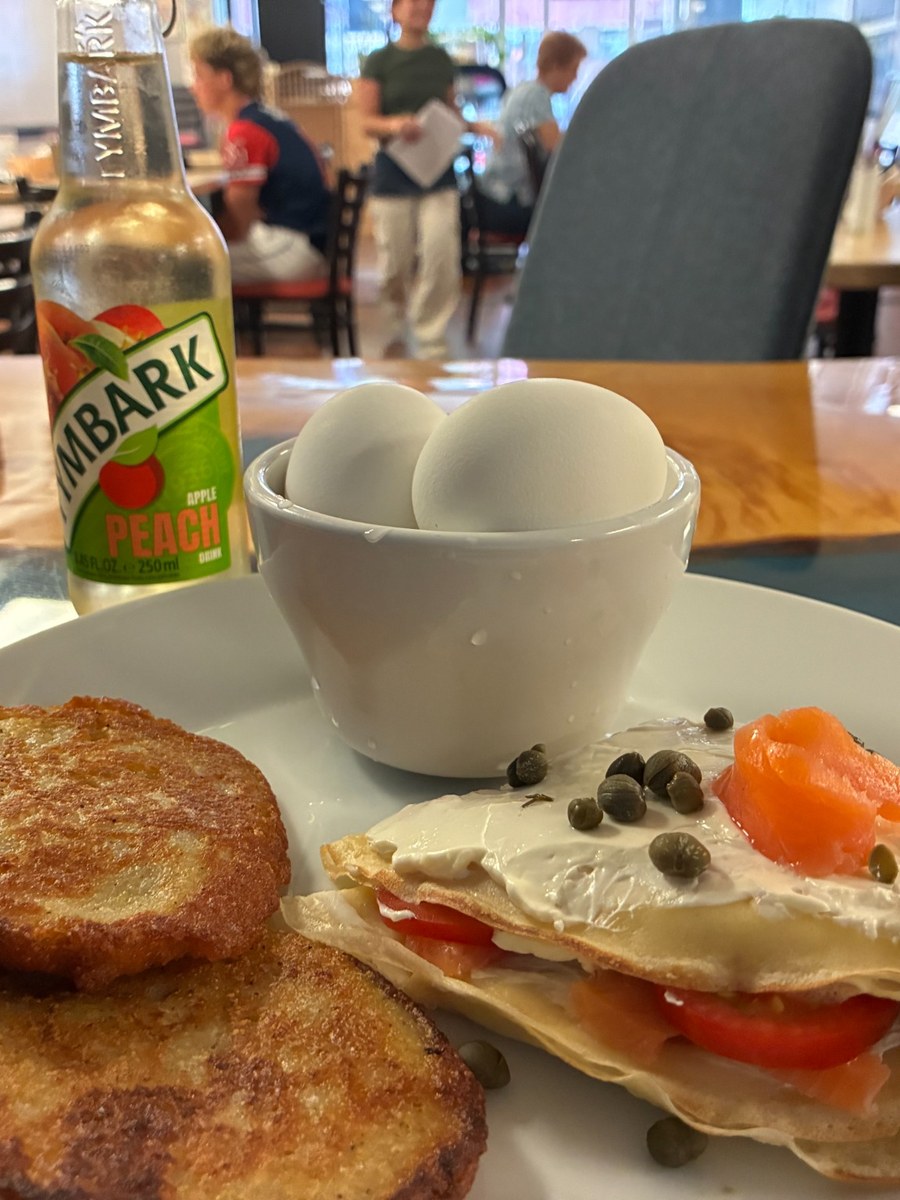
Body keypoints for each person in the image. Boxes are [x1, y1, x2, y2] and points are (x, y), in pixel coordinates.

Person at [359, 0, 495, 359]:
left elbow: (449, 111)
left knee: (441, 254)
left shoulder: (439, 60)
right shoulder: (378, 61)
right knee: (396, 261)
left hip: (438, 171)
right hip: (394, 172)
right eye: (413, 4)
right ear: (395, 11)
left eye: (428, 4)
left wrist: (472, 125)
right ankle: (394, 326)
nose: (421, 9)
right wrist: (395, 125)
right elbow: (366, 121)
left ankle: (429, 332)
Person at [189, 27, 331, 285]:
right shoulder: (266, 117)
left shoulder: (245, 131)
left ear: (224, 79)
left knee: (192, 269)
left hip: (293, 245)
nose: (193, 87)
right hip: (310, 239)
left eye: (199, 76)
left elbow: (240, 217)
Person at [479, 31, 587, 238]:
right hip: (508, 200)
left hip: (492, 194)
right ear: (556, 67)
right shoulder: (537, 96)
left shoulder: (523, 90)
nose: (575, 77)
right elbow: (556, 146)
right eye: (573, 70)